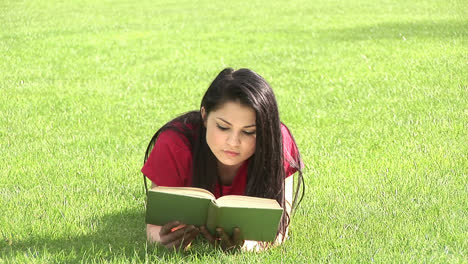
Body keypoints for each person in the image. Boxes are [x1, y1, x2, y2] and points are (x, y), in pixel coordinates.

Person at [142, 68, 304, 251]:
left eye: (249, 131)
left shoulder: (277, 145)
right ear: (204, 116)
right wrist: (165, 239)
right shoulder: (175, 144)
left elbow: (279, 229)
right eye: (222, 127)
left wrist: (247, 246)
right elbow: (154, 228)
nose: (233, 142)